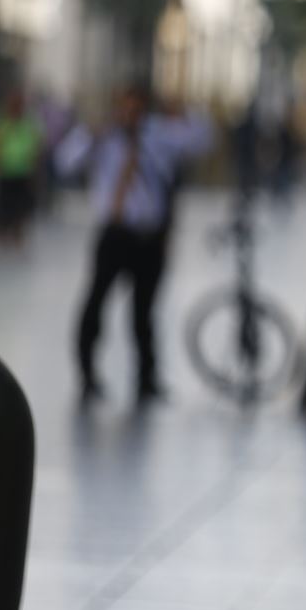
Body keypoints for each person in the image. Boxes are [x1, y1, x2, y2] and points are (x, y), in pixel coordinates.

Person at [56, 85, 213, 405]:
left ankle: (147, 380)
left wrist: (183, 109)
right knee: (96, 303)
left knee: (144, 312)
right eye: (124, 108)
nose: (130, 116)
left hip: (149, 238)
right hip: (115, 234)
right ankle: (87, 375)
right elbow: (65, 162)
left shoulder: (160, 136)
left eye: (136, 109)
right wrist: (91, 134)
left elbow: (202, 139)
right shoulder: (103, 140)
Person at [0, 89, 43, 247]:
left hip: (22, 171)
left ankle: (17, 237)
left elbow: (36, 145)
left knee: (20, 207)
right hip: (3, 171)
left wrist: (34, 170)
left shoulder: (29, 121)